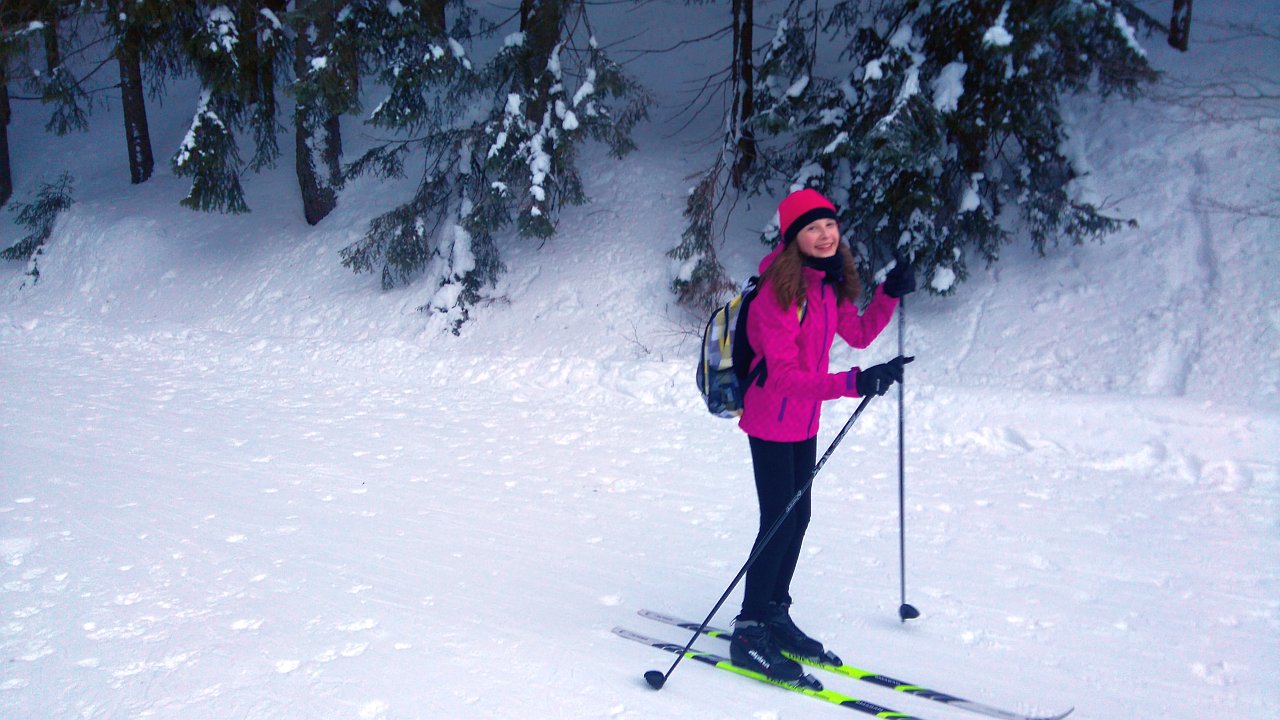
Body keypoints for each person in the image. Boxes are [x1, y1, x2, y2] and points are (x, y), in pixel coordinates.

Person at [729, 188, 916, 681]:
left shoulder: (828, 283)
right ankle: (748, 629)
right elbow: (782, 376)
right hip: (771, 418)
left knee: (799, 515)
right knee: (778, 520)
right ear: (794, 237)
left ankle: (773, 611)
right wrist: (854, 382)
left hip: (804, 418)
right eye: (812, 228)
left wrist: (890, 293)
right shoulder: (778, 292)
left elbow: (858, 334)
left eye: (830, 224)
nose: (825, 234)